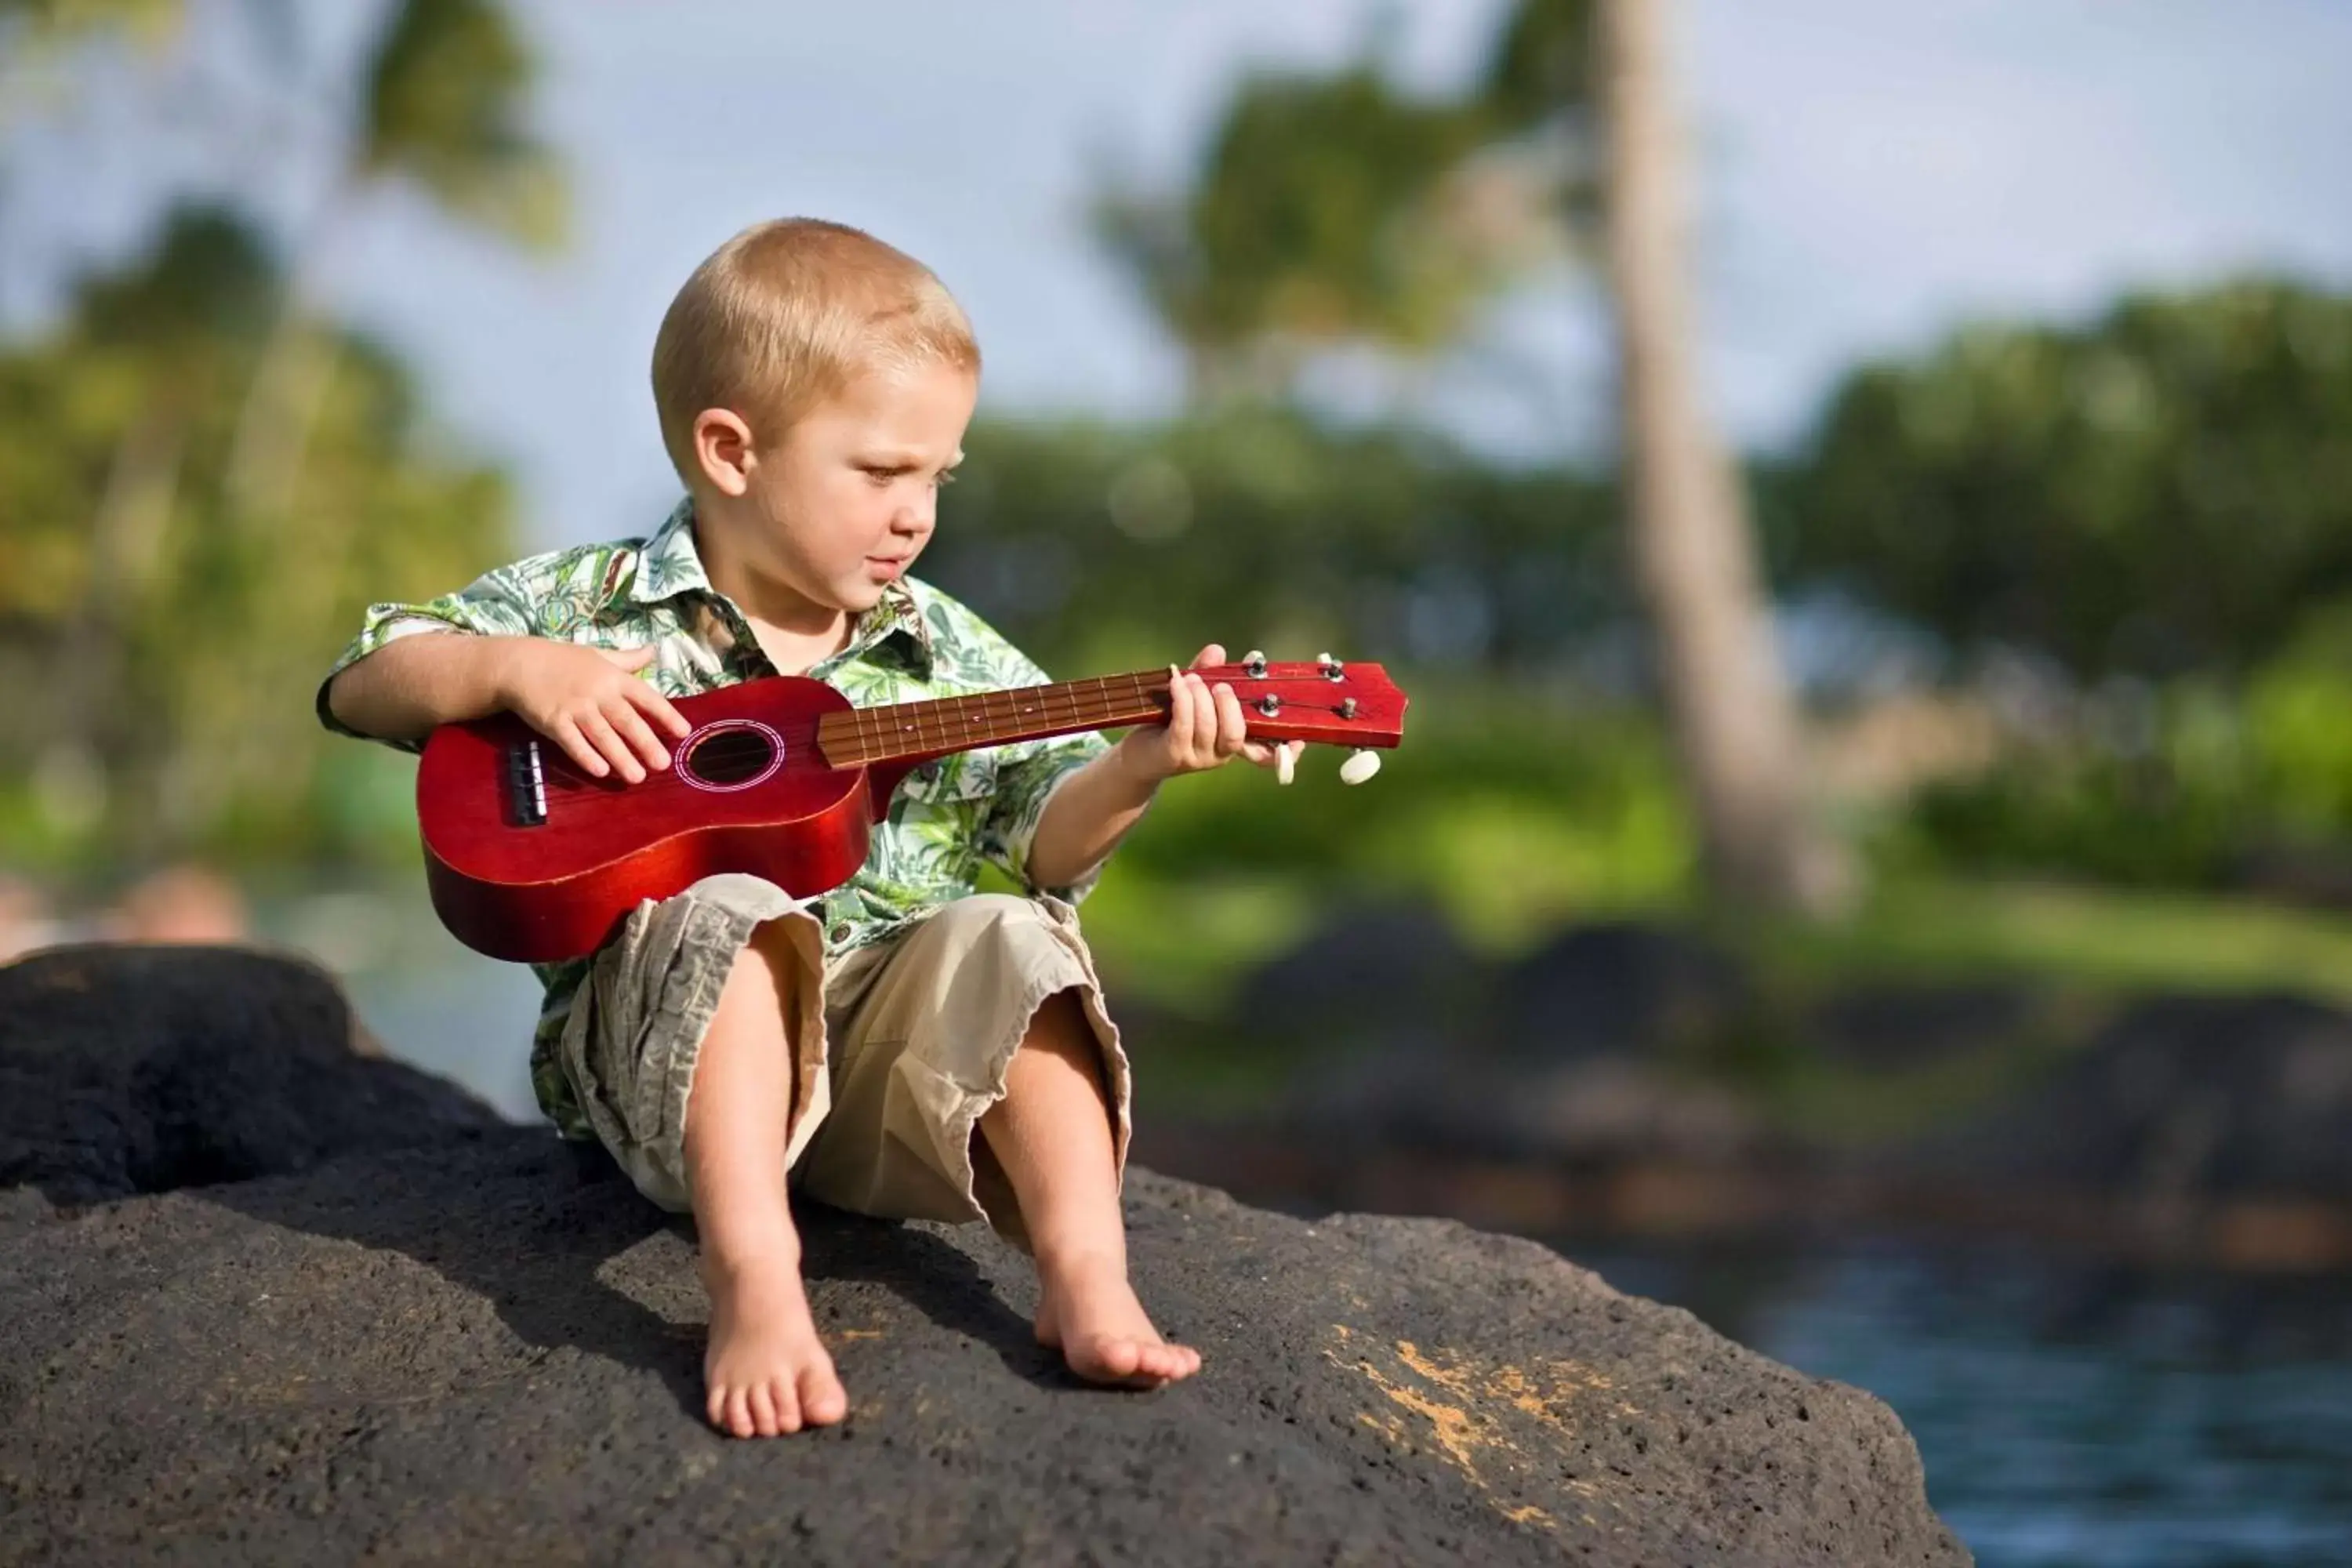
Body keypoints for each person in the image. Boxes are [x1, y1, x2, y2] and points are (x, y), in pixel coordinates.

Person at [318, 218, 1295, 1440]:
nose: (916, 516)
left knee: (1014, 932)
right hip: (672, 1072)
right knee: (734, 908)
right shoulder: (591, 607)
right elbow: (367, 675)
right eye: (881, 473)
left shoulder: (946, 654)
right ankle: (756, 1279)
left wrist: (1145, 763)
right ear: (732, 450)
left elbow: (1044, 844)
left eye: (940, 477)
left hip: (884, 1102)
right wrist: (517, 670)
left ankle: (1087, 1276)